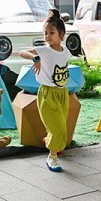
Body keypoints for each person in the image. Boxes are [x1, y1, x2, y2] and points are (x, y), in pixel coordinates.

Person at [19, 9, 71, 172]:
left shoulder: (66, 52)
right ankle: (52, 157)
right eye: (45, 33)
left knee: (61, 126)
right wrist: (35, 58)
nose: (47, 36)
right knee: (58, 128)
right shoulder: (44, 50)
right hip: (47, 95)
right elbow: (22, 52)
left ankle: (50, 141)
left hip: (63, 93)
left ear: (61, 34)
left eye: (51, 32)